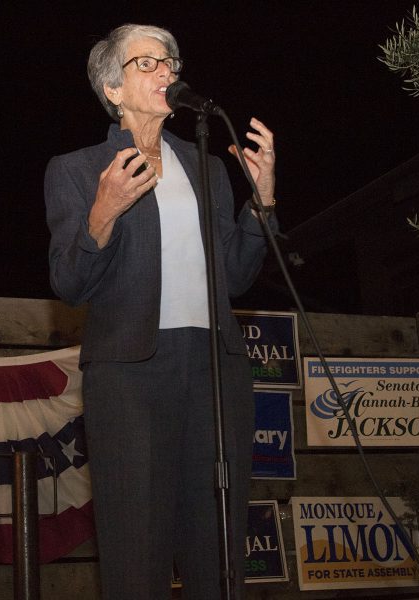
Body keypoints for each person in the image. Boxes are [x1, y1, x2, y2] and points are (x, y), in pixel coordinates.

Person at [44, 24, 279, 600]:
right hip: (130, 373)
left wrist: (262, 200)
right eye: (145, 63)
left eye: (169, 61)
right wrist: (103, 212)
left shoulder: (208, 168)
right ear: (112, 89)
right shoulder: (77, 170)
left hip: (214, 368)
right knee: (136, 544)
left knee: (217, 541)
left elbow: (239, 274)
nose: (165, 72)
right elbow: (69, 283)